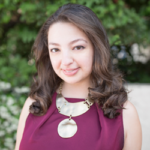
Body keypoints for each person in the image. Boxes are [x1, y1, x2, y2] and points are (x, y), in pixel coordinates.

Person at [15, 3, 142, 150]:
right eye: (55, 49)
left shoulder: (125, 115)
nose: (66, 60)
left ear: (97, 48)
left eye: (78, 47)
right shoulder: (35, 105)